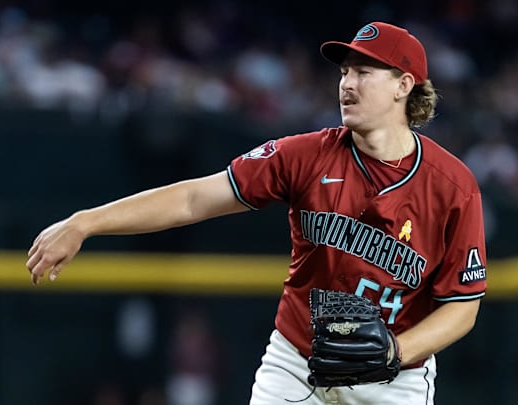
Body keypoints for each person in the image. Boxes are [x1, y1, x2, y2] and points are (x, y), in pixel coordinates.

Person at [26, 21, 487, 404]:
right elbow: (193, 199)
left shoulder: (452, 186)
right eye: (345, 71)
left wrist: (395, 350)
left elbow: (463, 307)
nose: (347, 83)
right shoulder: (304, 156)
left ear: (404, 86)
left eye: (364, 71)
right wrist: (85, 222)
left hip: (394, 378)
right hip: (297, 360)